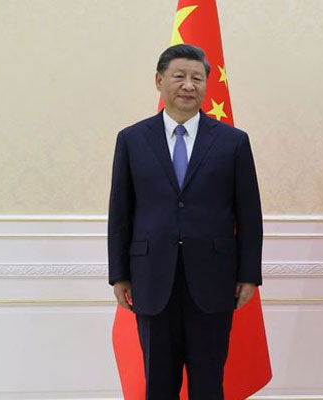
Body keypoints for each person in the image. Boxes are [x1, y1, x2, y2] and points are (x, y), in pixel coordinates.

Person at [107, 44, 263, 399]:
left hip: (214, 280)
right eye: (179, 76)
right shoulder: (132, 140)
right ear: (160, 81)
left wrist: (248, 275)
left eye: (197, 78)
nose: (188, 85)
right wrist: (119, 273)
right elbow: (121, 212)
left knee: (209, 382)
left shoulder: (233, 142)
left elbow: (249, 215)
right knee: (158, 382)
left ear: (207, 84)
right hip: (151, 279)